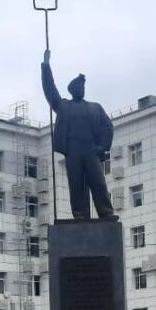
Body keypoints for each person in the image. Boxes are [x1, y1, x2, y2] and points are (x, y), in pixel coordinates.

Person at [41, 49, 116, 221]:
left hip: (91, 149)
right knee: (76, 184)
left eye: (82, 87)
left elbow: (107, 127)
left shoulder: (95, 107)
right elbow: (50, 90)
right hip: (73, 150)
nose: (81, 89)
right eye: (78, 87)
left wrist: (102, 146)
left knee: (98, 182)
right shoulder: (64, 106)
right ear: (72, 90)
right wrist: (46, 66)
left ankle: (106, 212)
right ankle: (79, 214)